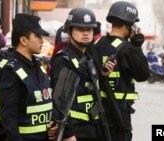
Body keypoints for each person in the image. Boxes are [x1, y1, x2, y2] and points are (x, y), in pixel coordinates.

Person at [50, 8, 116, 141]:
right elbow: (58, 102)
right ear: (69, 31)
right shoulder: (63, 59)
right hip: (76, 131)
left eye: (89, 29)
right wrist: (68, 134)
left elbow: (90, 91)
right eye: (80, 29)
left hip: (94, 127)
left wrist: (103, 76)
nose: (86, 33)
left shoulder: (88, 57)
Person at [94, 1, 150, 141]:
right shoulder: (128, 49)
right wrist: (137, 46)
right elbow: (143, 75)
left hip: (97, 111)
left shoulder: (96, 45)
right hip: (119, 115)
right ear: (128, 25)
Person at [0, 13, 58, 141]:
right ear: (23, 40)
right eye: (37, 36)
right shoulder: (11, 70)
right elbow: (9, 118)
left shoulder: (38, 64)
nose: (42, 40)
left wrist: (53, 124)